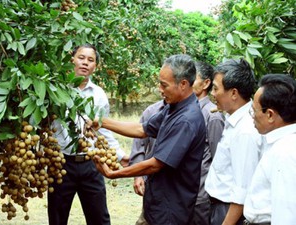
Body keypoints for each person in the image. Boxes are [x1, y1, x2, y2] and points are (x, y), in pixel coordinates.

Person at [93, 54, 206, 225]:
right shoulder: (173, 107)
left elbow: (156, 164)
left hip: (171, 211)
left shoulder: (186, 120)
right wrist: (102, 122)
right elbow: (142, 129)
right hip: (158, 202)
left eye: (164, 85)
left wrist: (114, 174)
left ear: (183, 84)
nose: (159, 89)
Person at [47, 44, 128, 225]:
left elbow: (103, 130)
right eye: (81, 58)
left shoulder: (99, 94)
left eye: (90, 60)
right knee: (57, 219)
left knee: (100, 219)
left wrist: (121, 156)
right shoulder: (55, 89)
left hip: (92, 164)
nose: (85, 63)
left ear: (95, 66)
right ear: (72, 60)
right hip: (60, 164)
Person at [204, 58, 261, 225]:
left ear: (234, 93)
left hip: (229, 212)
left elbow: (242, 190)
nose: (212, 94)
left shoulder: (245, 130)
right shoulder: (233, 120)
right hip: (218, 207)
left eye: (215, 88)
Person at [243, 74, 296, 225]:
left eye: (254, 111)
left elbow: (287, 215)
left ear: (270, 115)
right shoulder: (279, 143)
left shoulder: (285, 151)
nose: (252, 117)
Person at [191, 61, 225, 225]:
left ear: (206, 83)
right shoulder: (188, 111)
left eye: (193, 78)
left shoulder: (212, 116)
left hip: (201, 196)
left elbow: (217, 159)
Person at [129, 99, 165, 225]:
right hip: (152, 182)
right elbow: (139, 144)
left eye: (165, 85)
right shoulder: (151, 111)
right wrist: (138, 175)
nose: (161, 89)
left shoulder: (192, 114)